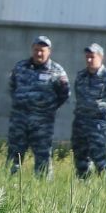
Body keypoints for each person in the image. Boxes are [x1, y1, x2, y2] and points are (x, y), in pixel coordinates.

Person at [7, 34, 69, 176]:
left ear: (49, 51)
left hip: (42, 123)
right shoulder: (20, 67)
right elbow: (12, 87)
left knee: (43, 158)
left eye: (42, 50)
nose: (39, 53)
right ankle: (10, 184)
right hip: (19, 121)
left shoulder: (57, 71)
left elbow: (64, 94)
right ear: (32, 50)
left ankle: (43, 186)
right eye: (36, 49)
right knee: (14, 156)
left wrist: (46, 109)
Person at [71, 42, 106, 178]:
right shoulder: (81, 76)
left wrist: (105, 120)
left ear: (101, 58)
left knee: (99, 158)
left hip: (97, 124)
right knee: (80, 158)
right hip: (80, 122)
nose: (89, 60)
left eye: (92, 57)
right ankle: (83, 186)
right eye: (87, 57)